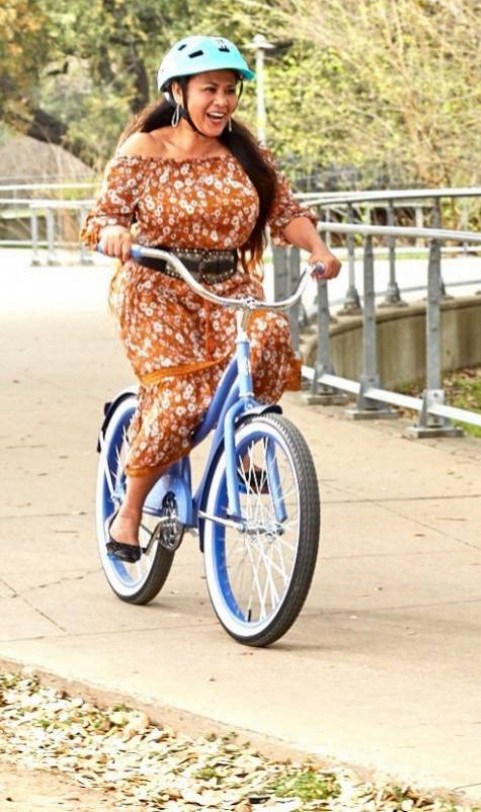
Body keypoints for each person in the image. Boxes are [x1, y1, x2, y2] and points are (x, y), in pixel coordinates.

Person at [81, 35, 341, 563]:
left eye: (230, 90)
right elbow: (101, 216)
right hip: (158, 288)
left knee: (269, 335)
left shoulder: (244, 153)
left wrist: (318, 247)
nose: (222, 101)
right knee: (179, 400)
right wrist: (113, 232)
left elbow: (284, 210)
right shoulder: (144, 151)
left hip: (229, 286)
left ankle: (245, 443)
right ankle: (129, 511)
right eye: (209, 90)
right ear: (179, 91)